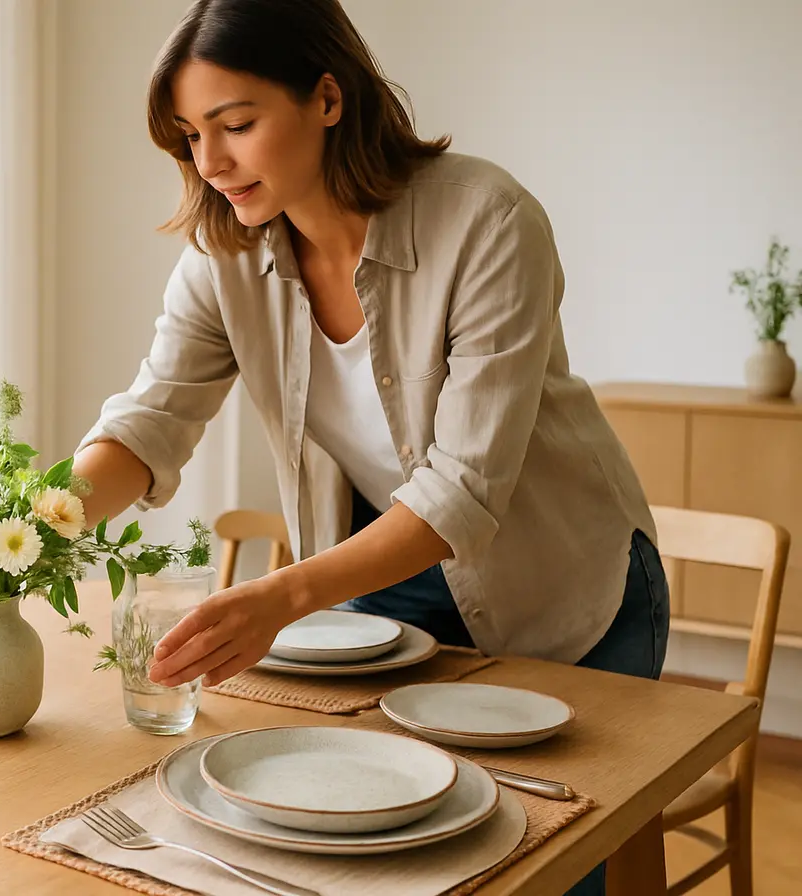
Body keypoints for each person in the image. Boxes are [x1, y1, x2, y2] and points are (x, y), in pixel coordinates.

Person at [71, 2, 669, 893]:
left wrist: (279, 596)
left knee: (534, 870)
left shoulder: (489, 221)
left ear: (326, 97)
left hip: (565, 596)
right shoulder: (223, 258)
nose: (212, 162)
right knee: (372, 862)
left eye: (237, 124)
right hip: (378, 594)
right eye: (192, 135)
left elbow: (460, 491)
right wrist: (28, 519)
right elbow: (149, 421)